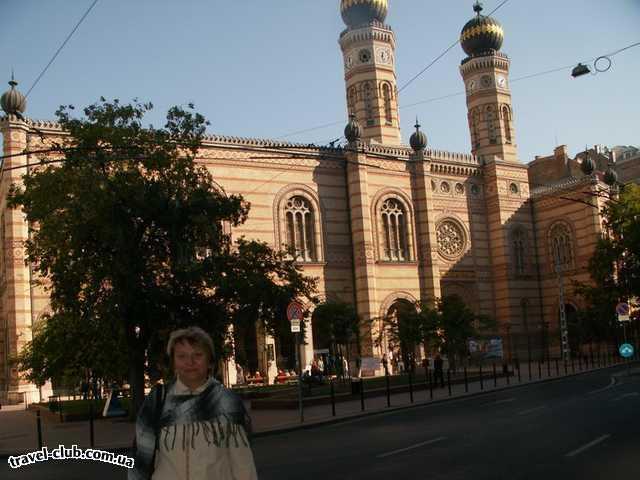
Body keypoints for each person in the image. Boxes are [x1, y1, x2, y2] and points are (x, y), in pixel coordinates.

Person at [130, 326, 257, 480]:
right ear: (174, 363)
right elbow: (142, 460)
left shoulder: (226, 402)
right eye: (181, 356)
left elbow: (242, 464)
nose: (189, 362)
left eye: (197, 355)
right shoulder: (158, 401)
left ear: (210, 362)